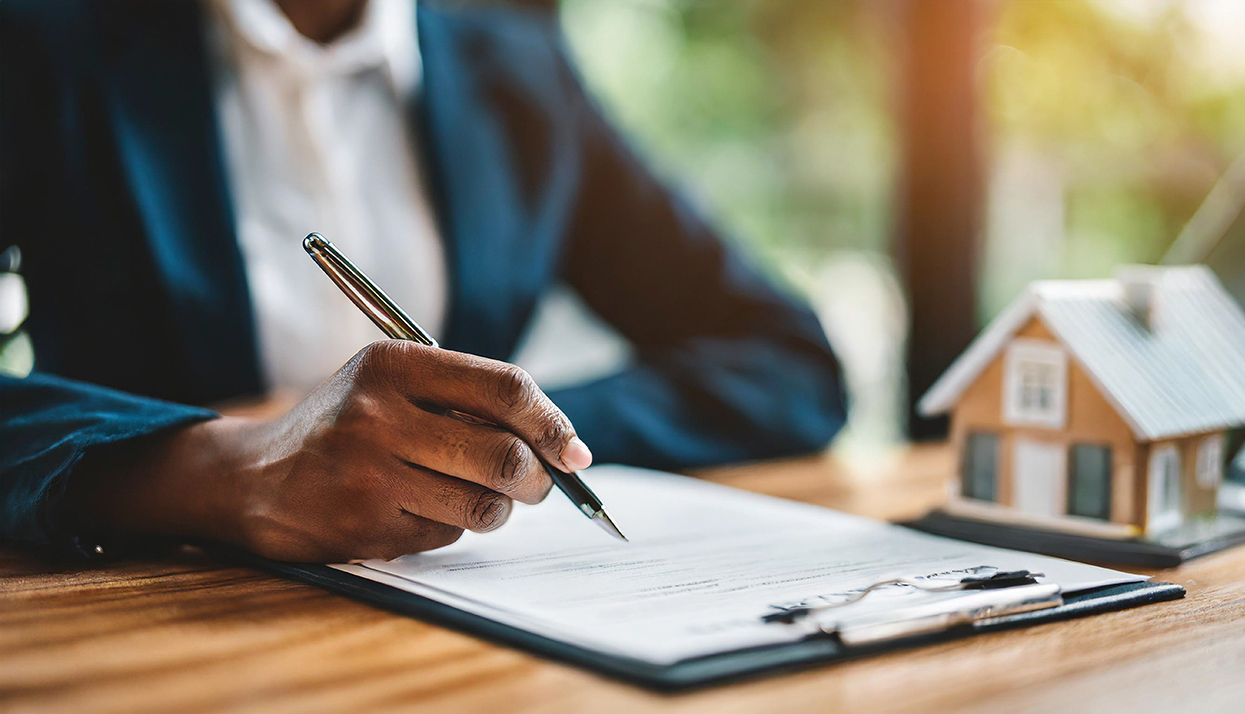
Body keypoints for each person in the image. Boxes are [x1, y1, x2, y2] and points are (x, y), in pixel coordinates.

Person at [0, 0, 846, 563]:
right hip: (145, 618)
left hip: (445, 631)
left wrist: (502, 440)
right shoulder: (41, 38)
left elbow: (789, 359)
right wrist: (223, 467)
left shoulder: (516, 66)